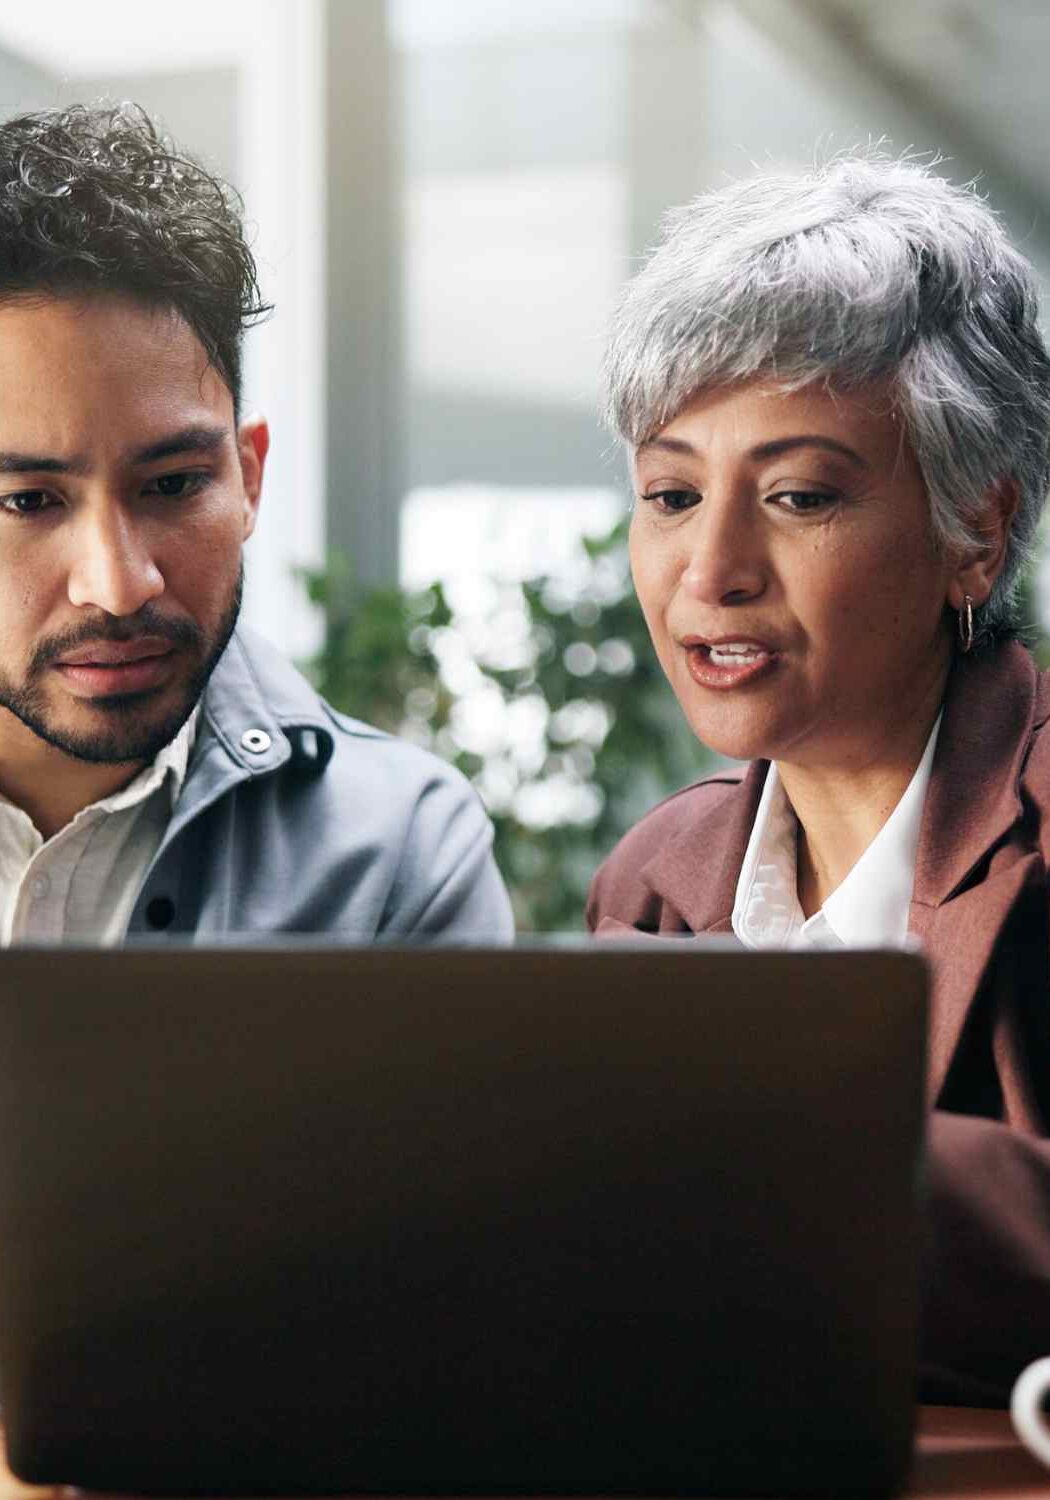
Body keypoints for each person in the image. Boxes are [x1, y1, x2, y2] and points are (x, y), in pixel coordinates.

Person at [587, 152, 1050, 1405]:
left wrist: (742, 1132)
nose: (713, 568)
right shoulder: (653, 878)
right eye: (672, 494)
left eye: (796, 495)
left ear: (977, 530)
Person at [0, 102, 512, 943]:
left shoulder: (400, 854)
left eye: (170, 485)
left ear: (249, 478)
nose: (121, 586)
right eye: (28, 500)